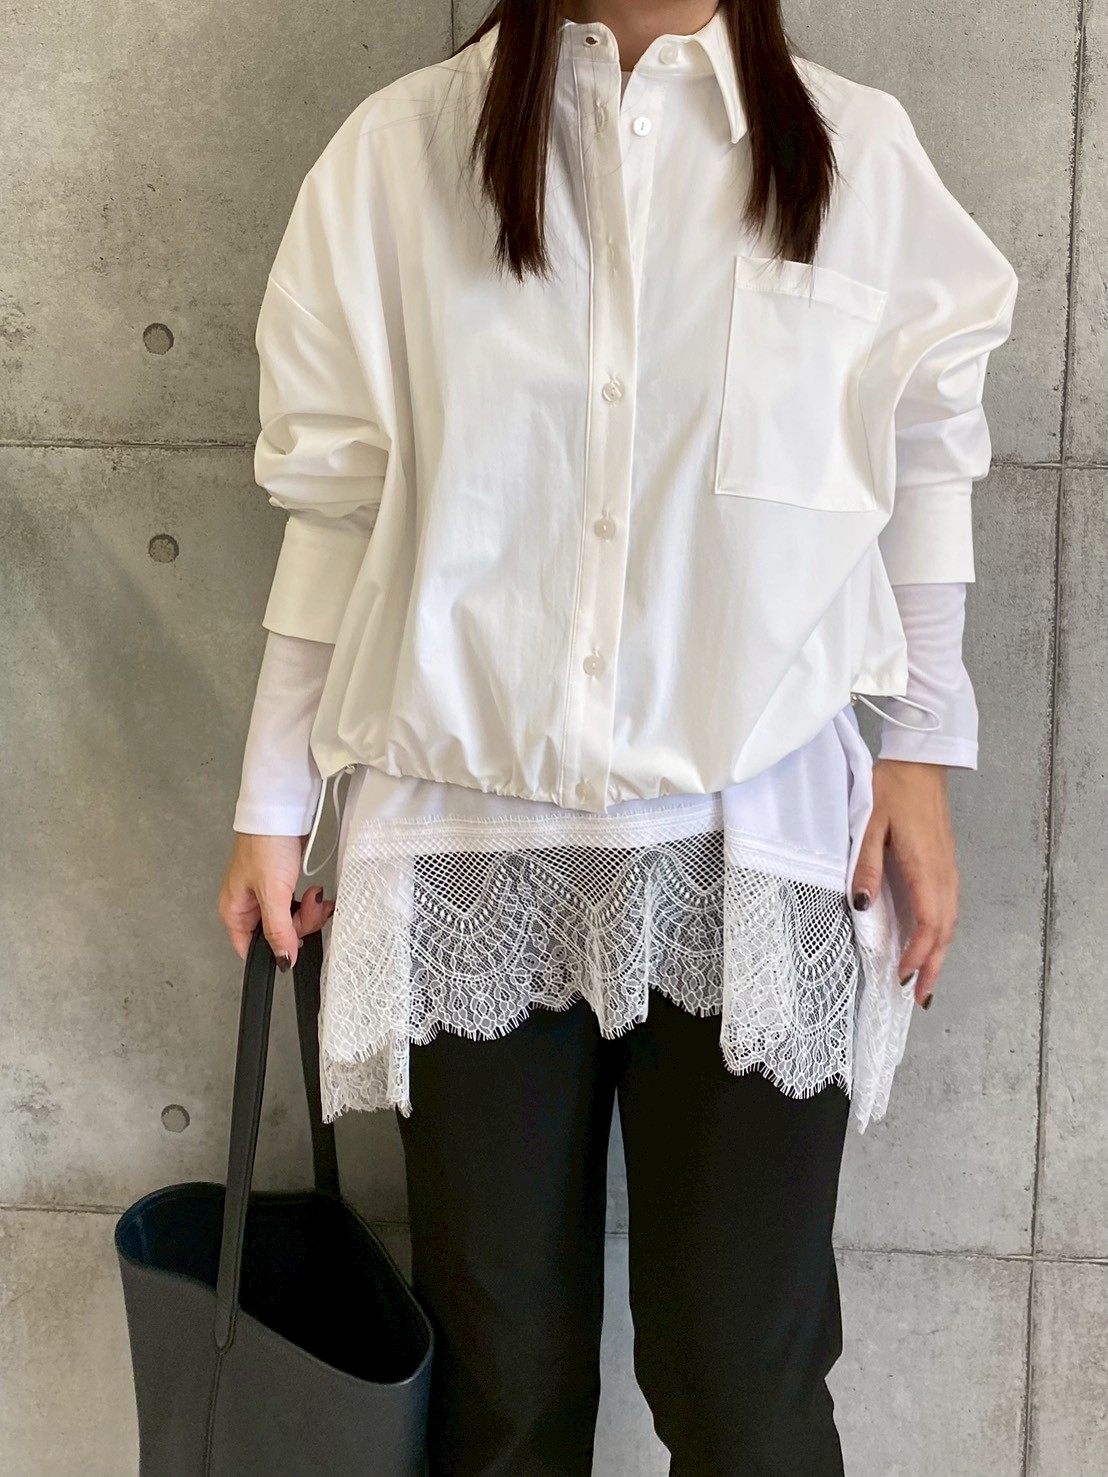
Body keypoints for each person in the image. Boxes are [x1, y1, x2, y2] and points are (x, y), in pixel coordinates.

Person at [217, 2, 1019, 1472]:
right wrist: (275, 802)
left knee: (742, 1383)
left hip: (756, 838)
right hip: (469, 834)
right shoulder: (398, 159)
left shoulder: (855, 154)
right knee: (502, 1393)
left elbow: (924, 464)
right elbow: (336, 503)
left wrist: (918, 754)